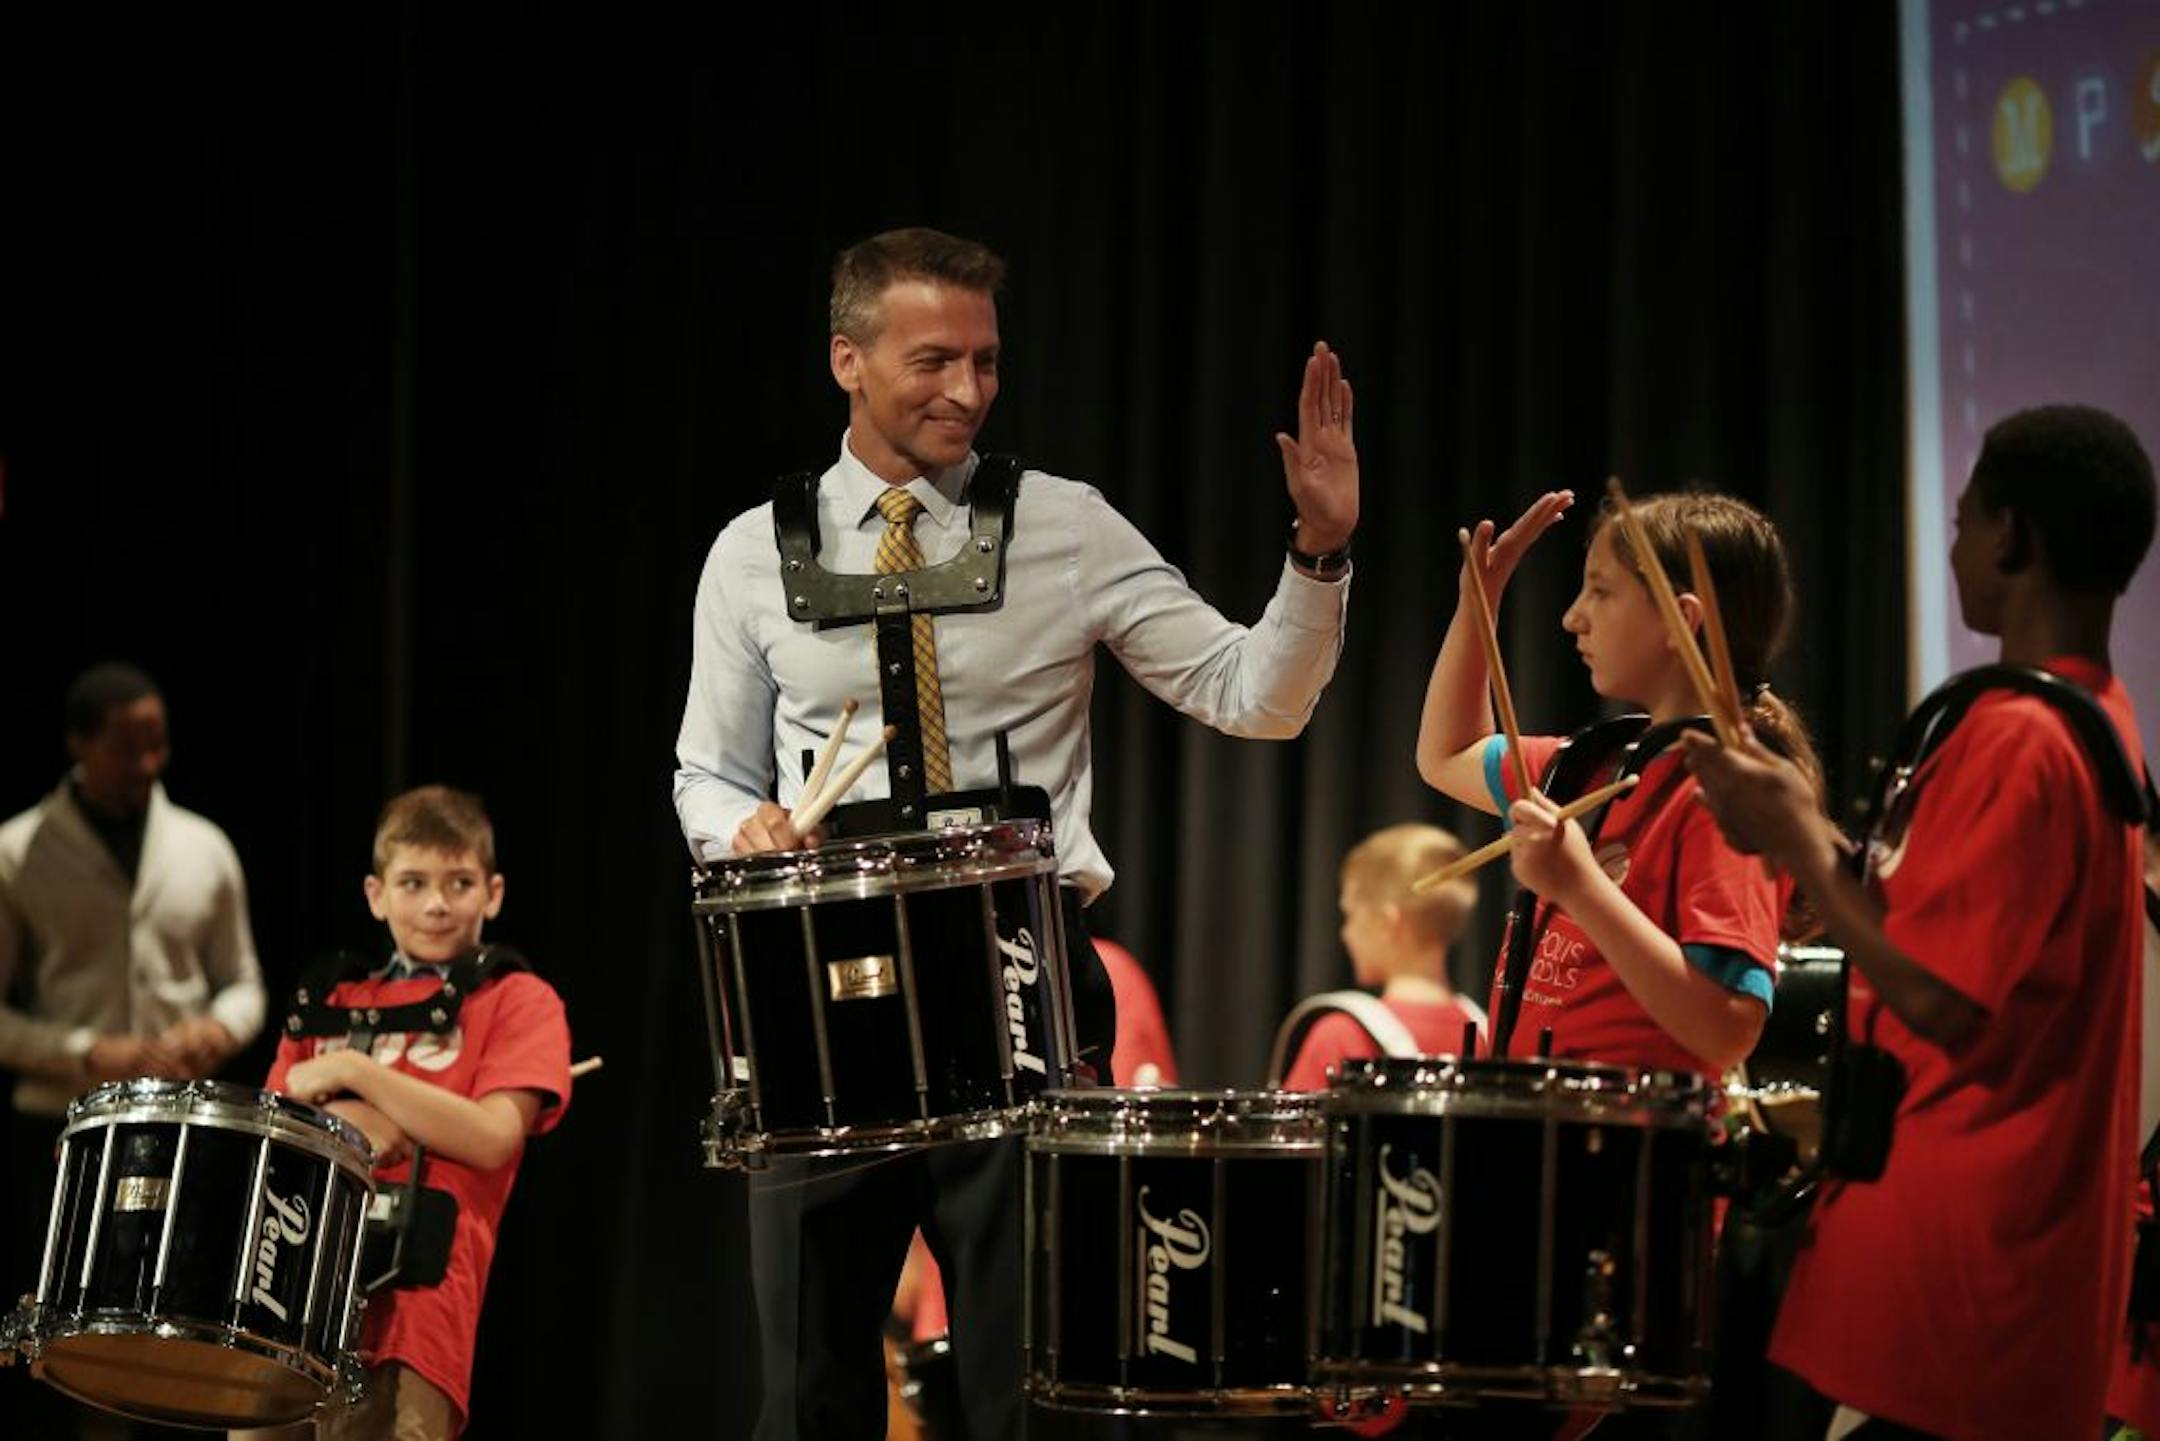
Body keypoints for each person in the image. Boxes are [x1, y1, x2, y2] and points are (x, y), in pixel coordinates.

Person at [672, 225, 1356, 1439]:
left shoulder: (1068, 524)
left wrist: (1318, 553)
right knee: (807, 1393)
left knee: (1027, 1392)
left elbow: (1257, 698)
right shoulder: (747, 554)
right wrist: (747, 830)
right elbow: (706, 774)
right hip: (823, 1000)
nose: (969, 391)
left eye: (985, 361)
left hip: (1022, 982)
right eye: (934, 360)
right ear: (848, 358)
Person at [1685, 405, 2154, 1440]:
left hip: (1966, 1289)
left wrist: (1803, 842)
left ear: (2012, 537)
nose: (1950, 546)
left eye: (1962, 519)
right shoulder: (2085, 716)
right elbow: (1946, 925)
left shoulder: (2022, 737)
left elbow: (1943, 996)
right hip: (1978, 1280)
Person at [1413, 491, 1815, 1080]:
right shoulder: (1589, 765)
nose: (1573, 617)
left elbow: (1728, 1031)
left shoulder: (1730, 793)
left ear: (1682, 620)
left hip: (1636, 1150)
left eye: (1601, 592)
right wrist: (1480, 605)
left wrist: (1579, 886)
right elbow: (1445, 755)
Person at [240, 786, 572, 1440]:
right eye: (413, 882)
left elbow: (492, 1135)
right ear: (376, 893)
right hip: (289, 1293)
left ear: (494, 892)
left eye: (460, 882)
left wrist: (355, 1073)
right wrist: (372, 1120)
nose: (436, 903)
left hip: (420, 1309)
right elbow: (276, 1131)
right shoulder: (329, 997)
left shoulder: (518, 999)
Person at [1, 664, 265, 1329]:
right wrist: (88, 1051)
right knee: (60, 1335)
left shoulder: (203, 847)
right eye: (125, 747)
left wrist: (219, 1029)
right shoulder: (17, 851)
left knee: (173, 1327)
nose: (146, 763)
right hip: (59, 1123)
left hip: (180, 1121)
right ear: (78, 744)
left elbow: (246, 983)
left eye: (158, 744)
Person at [1273, 822, 1484, 1089]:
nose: (1345, 934)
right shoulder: (1488, 1037)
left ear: (1389, 923)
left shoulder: (1339, 1036)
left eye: (1349, 915)